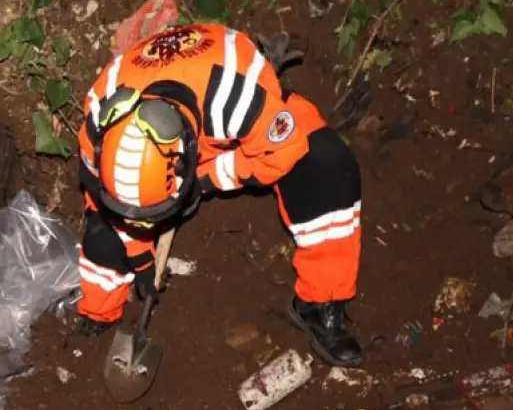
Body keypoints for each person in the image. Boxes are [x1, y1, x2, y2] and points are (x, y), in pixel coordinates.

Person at [74, 23, 363, 367]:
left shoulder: (235, 99)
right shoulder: (99, 124)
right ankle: (99, 311)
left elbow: (284, 149)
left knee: (325, 164)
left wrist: (209, 178)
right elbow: (107, 203)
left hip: (236, 128)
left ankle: (319, 302)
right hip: (174, 135)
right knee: (103, 234)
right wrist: (141, 260)